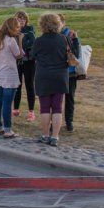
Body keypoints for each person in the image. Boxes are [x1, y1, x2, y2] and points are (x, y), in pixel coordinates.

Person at [32, 13, 69, 147]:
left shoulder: (39, 40)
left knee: (45, 108)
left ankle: (45, 135)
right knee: (58, 108)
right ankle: (55, 137)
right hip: (60, 77)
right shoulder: (64, 39)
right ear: (57, 24)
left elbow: (32, 56)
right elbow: (73, 54)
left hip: (44, 76)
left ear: (42, 25)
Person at [0, 17, 24, 138]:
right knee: (7, 103)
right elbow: (19, 55)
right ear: (11, 28)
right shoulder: (11, 40)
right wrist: (20, 40)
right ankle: (7, 129)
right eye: (17, 28)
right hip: (9, 75)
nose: (19, 30)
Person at [59, 14, 81, 133]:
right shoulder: (52, 36)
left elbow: (77, 54)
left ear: (63, 23)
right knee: (56, 99)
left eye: (59, 22)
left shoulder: (71, 35)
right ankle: (54, 122)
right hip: (57, 72)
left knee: (70, 98)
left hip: (70, 73)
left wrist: (76, 40)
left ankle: (69, 122)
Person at [13, 11, 37, 121]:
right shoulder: (13, 30)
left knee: (29, 86)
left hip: (29, 62)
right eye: (19, 18)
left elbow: (30, 44)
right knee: (17, 85)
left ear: (26, 20)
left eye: (23, 18)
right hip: (17, 62)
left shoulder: (30, 29)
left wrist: (21, 40)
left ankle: (31, 111)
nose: (21, 20)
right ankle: (15, 108)